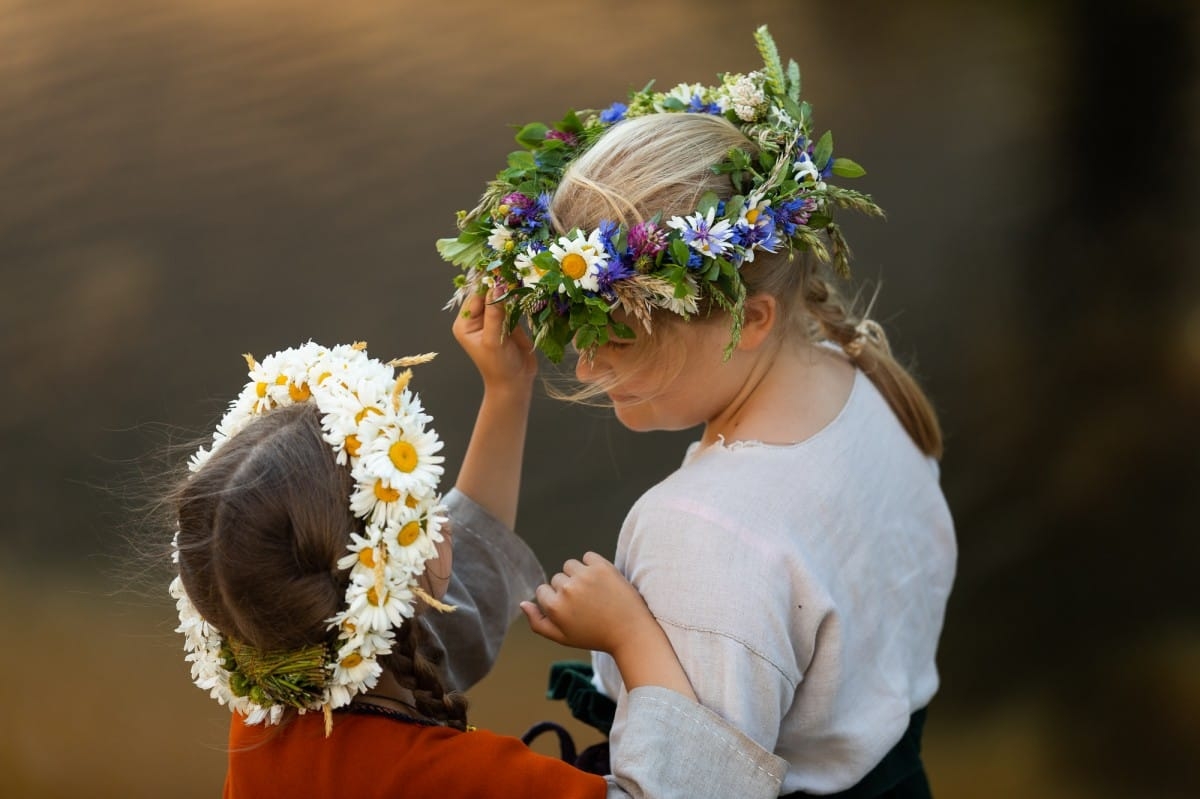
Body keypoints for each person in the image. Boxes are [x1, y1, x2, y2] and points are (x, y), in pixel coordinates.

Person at [438, 26, 956, 798]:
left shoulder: (701, 534)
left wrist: (628, 634)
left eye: (619, 338)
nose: (583, 366)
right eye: (574, 333)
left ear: (748, 320)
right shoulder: (864, 382)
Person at [167, 340, 787, 798]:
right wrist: (633, 637)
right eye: (419, 501)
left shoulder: (275, 705)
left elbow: (435, 617)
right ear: (392, 581)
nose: (442, 519)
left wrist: (507, 388)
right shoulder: (452, 780)